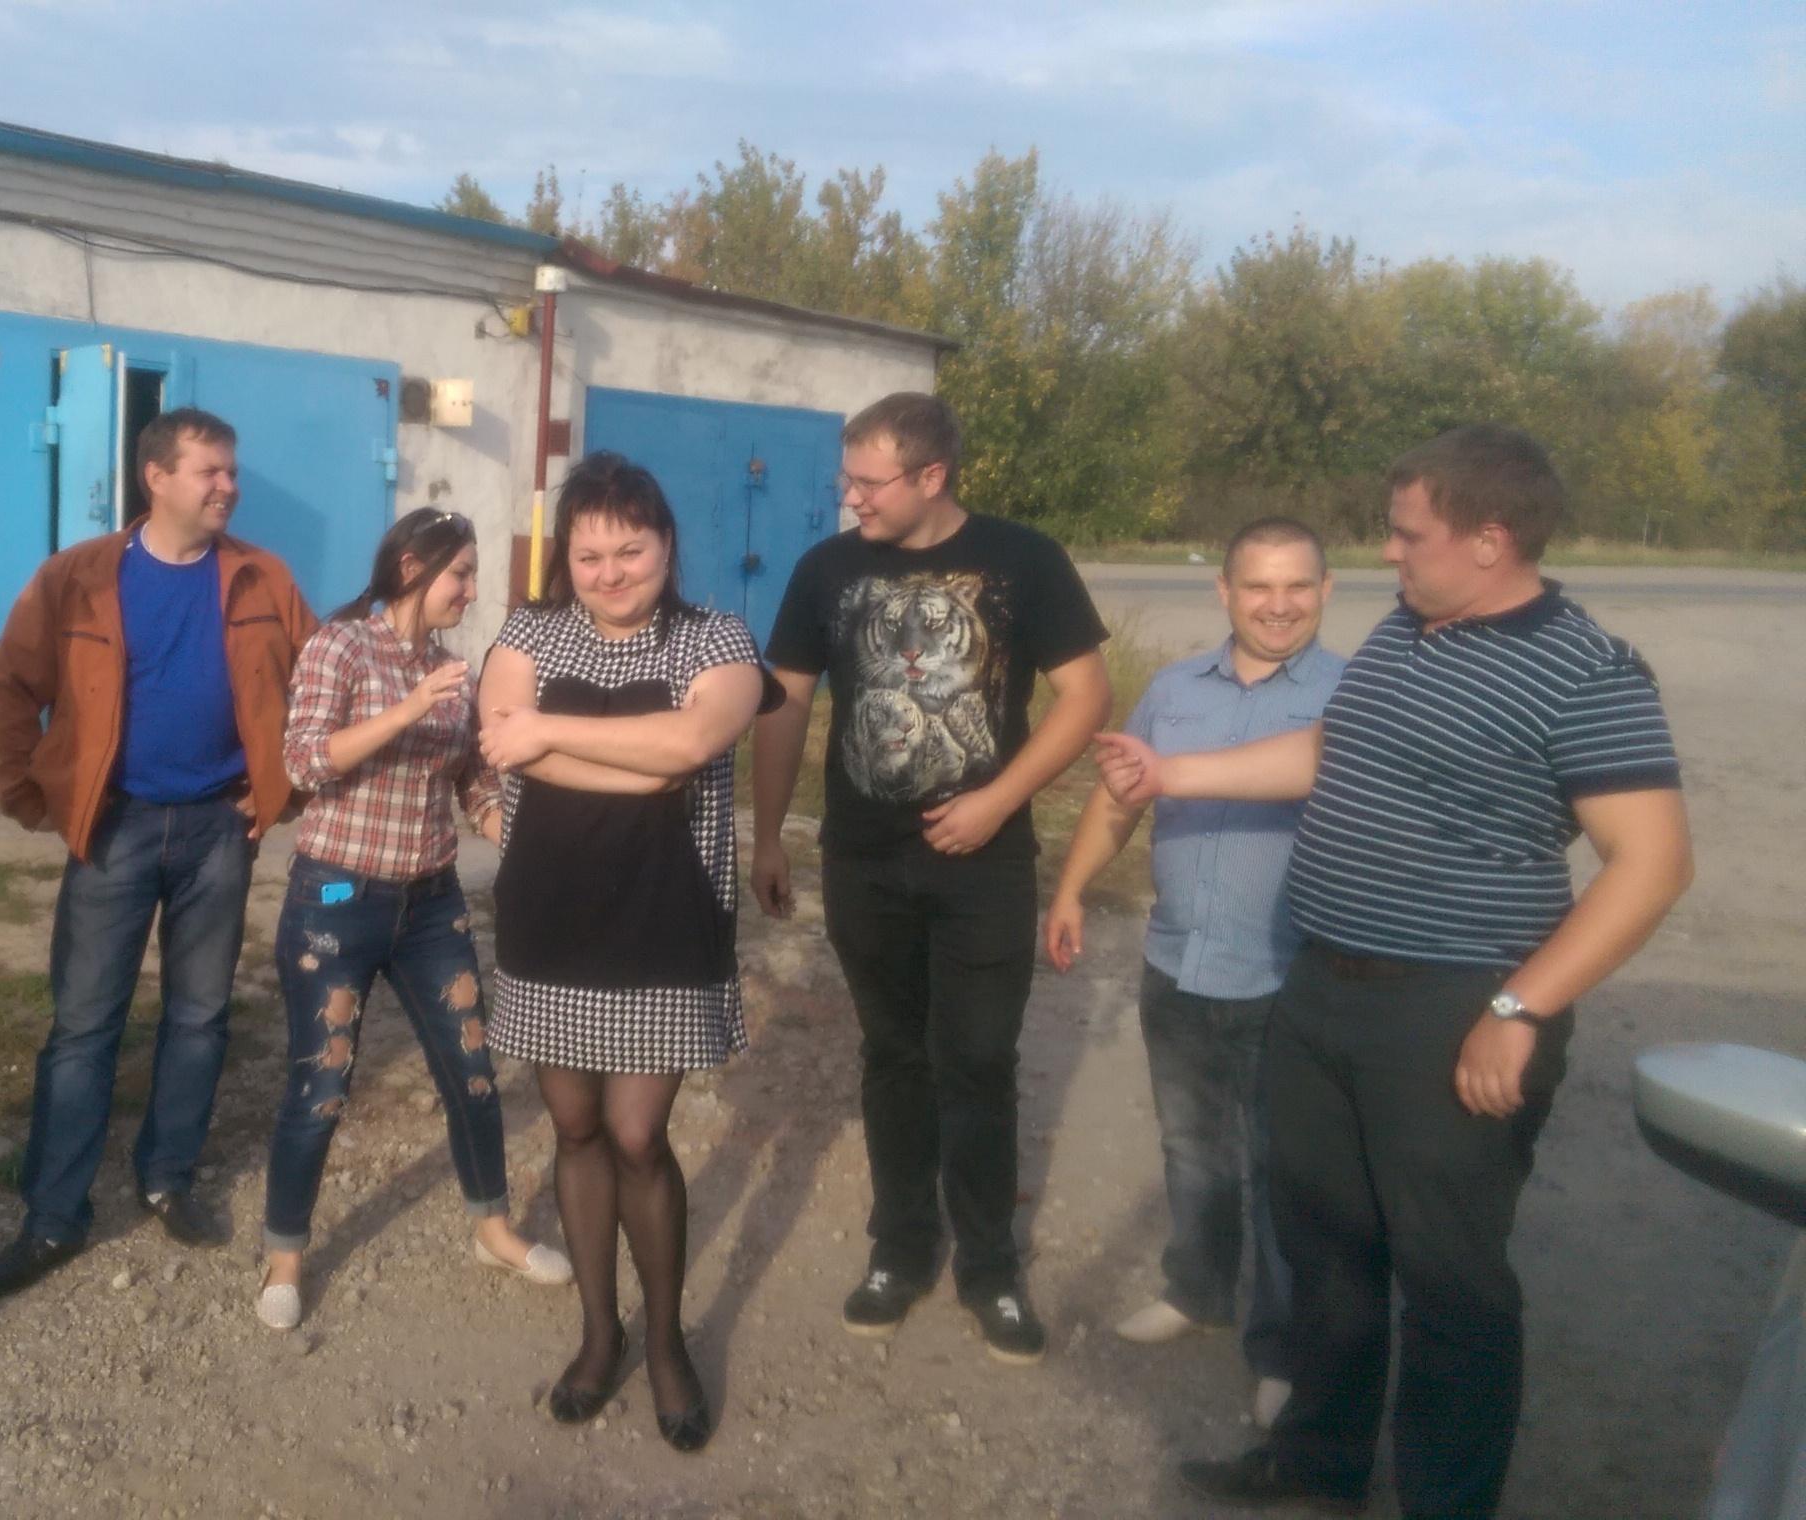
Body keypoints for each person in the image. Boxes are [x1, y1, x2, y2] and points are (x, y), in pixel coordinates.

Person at [1096, 426, 1694, 1518]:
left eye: (1409, 533)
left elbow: (1652, 864)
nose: (1388, 551)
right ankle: (1319, 1464)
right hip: (1323, 988)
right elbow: (1333, 752)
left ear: (1490, 538)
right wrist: (1172, 771)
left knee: (1451, 1283)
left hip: (1455, 1009)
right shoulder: (1408, 630)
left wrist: (1520, 1006)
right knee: (1326, 1249)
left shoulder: (1585, 670)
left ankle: (1443, 1502)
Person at [750, 391, 1111, 1363]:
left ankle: (990, 1267)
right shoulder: (827, 569)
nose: (852, 498)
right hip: (864, 860)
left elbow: (1086, 697)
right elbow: (786, 701)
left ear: (932, 475)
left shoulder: (1024, 559)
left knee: (979, 1059)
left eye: (869, 483)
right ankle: (900, 1249)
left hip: (985, 864)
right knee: (894, 1054)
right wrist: (770, 834)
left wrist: (999, 800)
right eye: (849, 479)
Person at [0, 408, 318, 1300]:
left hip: (219, 830)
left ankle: (168, 1176)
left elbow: (319, 686)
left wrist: (281, 787)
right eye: (210, 471)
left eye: (231, 470)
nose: (228, 487)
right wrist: (29, 792)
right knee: (85, 1025)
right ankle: (54, 1215)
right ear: (155, 478)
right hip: (114, 828)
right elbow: (9, 686)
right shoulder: (80, 577)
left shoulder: (263, 577)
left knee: (200, 1017)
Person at [479, 453, 770, 1454]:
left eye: (630, 550)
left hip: (665, 917)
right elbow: (500, 741)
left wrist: (549, 735)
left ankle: (666, 1341)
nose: (609, 572)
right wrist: (634, 757)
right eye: (589, 554)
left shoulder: (717, 636)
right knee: (574, 1128)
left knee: (638, 1135)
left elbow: (690, 748)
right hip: (548, 915)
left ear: (666, 544)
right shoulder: (528, 631)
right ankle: (601, 1334)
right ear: (565, 556)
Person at [1043, 516, 1343, 1429]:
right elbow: (1120, 799)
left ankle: (1283, 1348)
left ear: (1326, 592)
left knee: (1284, 1173)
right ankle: (1199, 1292)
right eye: (1258, 585)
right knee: (1192, 1147)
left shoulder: (1354, 693)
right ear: (1225, 591)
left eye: (1297, 586)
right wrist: (1071, 890)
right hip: (1177, 962)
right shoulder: (1173, 691)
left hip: (1287, 976)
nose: (1278, 605)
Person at [252, 508, 573, 1331]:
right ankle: (285, 1256)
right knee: (322, 1085)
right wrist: (404, 710)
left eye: (470, 573)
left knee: (472, 1071)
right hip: (335, 898)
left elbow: (468, 780)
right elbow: (305, 762)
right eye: (459, 573)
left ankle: (492, 1229)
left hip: (431, 905)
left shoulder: (450, 669)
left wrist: (516, 831)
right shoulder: (340, 647)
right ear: (410, 570)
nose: (471, 589)